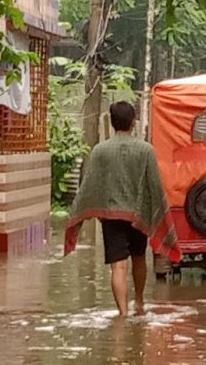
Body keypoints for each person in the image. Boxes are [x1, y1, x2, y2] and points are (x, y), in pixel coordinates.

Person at [63, 100, 176, 317]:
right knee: (139, 257)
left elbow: (90, 184)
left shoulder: (100, 151)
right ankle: (140, 302)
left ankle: (122, 315)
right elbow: (155, 183)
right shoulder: (146, 150)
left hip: (111, 216)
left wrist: (81, 212)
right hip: (138, 214)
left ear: (112, 122)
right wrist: (160, 212)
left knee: (118, 266)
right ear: (134, 122)